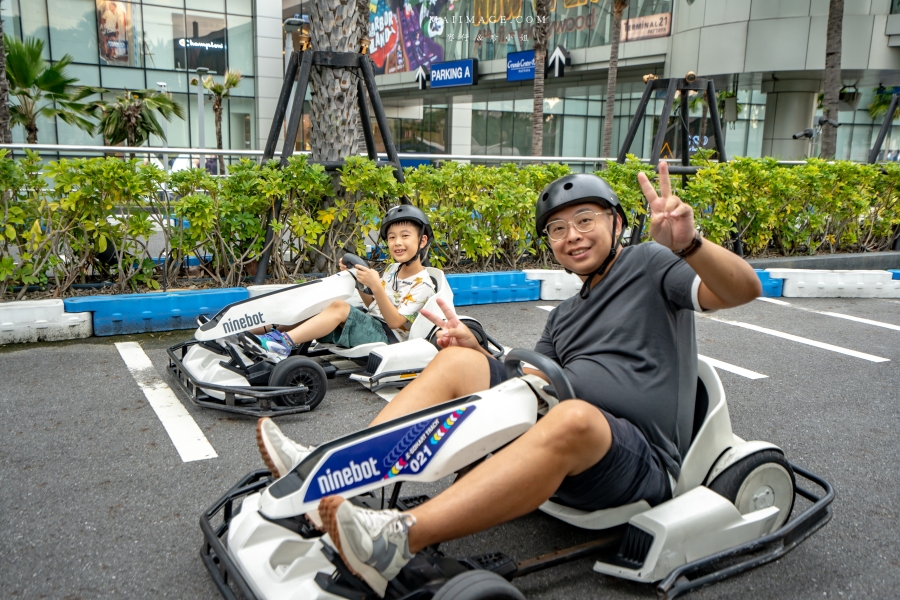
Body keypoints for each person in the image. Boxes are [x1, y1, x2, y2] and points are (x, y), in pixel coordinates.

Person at [255, 163, 762, 597]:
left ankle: (397, 538)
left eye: (585, 221)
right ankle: (338, 469)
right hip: (561, 431)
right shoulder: (563, 315)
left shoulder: (652, 265)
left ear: (617, 223)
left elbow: (742, 290)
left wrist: (690, 244)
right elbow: (528, 376)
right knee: (457, 362)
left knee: (574, 417)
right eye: (558, 230)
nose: (573, 236)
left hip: (636, 459)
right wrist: (480, 353)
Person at [253, 205, 437, 359]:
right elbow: (373, 305)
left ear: (422, 241)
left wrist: (375, 286)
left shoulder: (423, 284)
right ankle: (264, 332)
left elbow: (395, 322)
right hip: (373, 323)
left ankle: (281, 343)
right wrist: (358, 280)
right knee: (324, 305)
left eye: (405, 236)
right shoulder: (392, 270)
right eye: (392, 237)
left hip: (390, 338)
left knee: (340, 307)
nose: (397, 242)